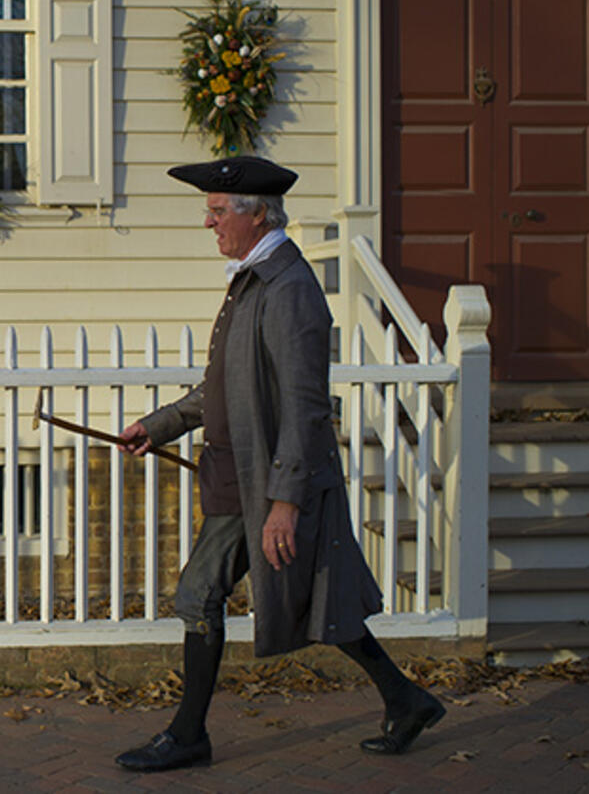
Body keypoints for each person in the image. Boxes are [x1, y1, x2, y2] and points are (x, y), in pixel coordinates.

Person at [113, 156, 445, 773]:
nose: (208, 224)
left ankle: (188, 735)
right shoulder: (254, 279)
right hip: (242, 478)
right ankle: (405, 699)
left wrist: (285, 503)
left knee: (200, 593)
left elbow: (305, 407)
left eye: (217, 213)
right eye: (209, 212)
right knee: (324, 601)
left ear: (257, 214)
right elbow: (223, 388)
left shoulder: (288, 290)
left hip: (263, 484)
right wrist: (155, 427)